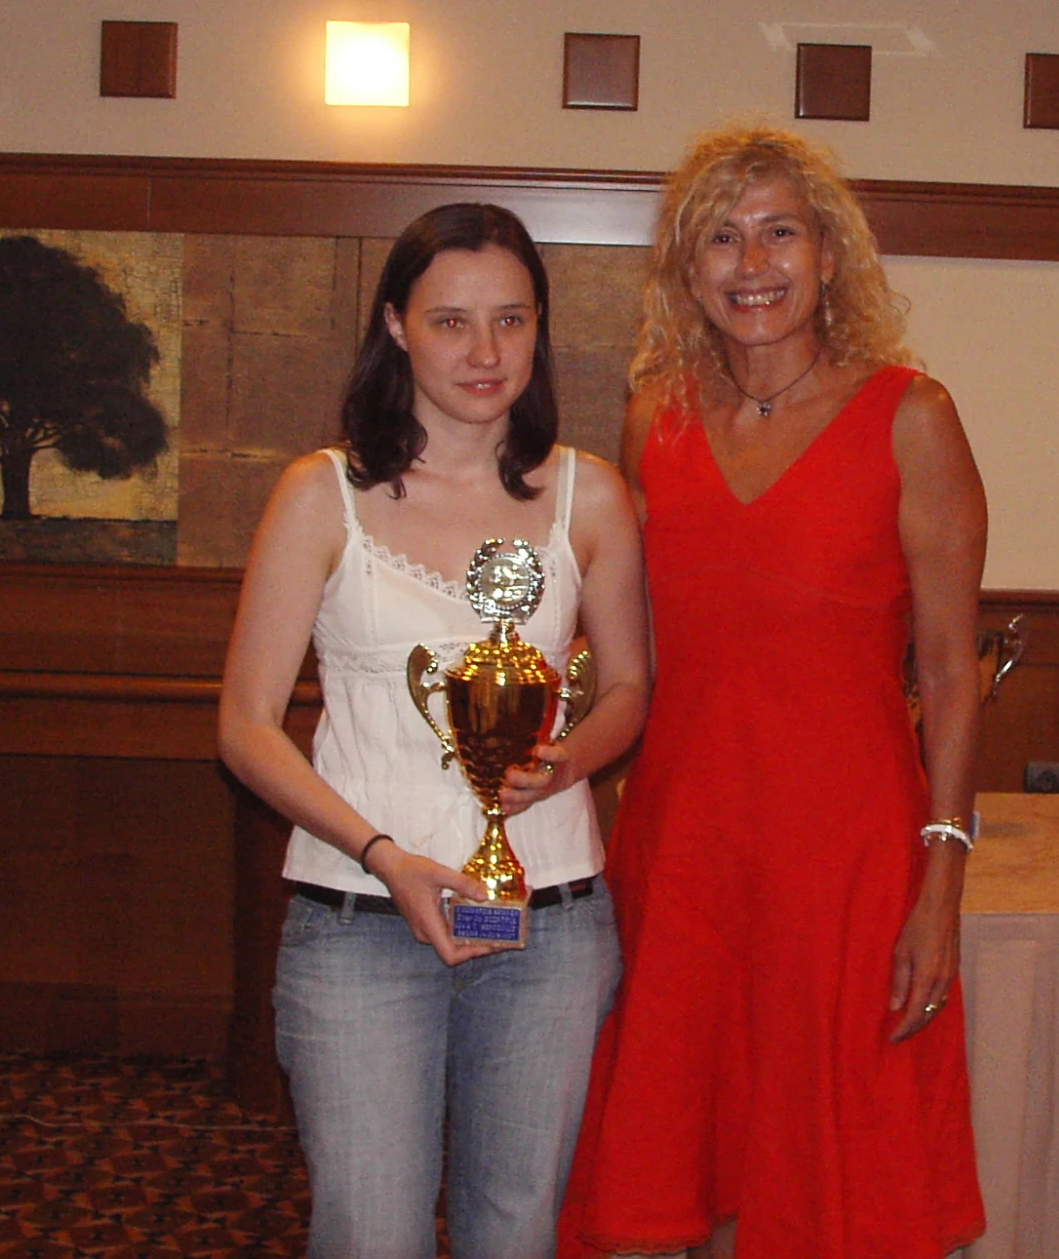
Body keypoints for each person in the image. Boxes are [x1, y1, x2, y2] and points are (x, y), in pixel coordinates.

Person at [560, 125, 990, 1259]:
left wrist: (940, 876)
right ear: (687, 273)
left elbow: (949, 675)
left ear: (829, 255)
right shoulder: (656, 420)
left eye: (778, 233)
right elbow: (631, 654)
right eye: (720, 238)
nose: (752, 264)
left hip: (846, 859)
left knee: (836, 1186)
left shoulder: (911, 417)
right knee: (682, 1175)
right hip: (686, 847)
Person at [217, 203, 649, 1259]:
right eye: (451, 321)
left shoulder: (587, 495)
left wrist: (562, 765)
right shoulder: (320, 495)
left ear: (539, 327)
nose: (485, 351)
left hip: (543, 919)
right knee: (371, 1234)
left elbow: (630, 685)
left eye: (510, 319)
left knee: (516, 1233)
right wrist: (383, 855)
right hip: (360, 915)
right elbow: (244, 725)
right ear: (396, 326)